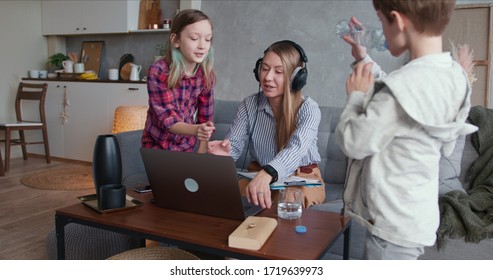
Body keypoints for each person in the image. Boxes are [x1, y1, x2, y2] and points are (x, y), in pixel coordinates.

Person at [336, 0, 478, 259]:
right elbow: (405, 95)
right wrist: (363, 58)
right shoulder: (454, 76)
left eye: (381, 22)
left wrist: (356, 97)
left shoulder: (400, 90)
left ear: (398, 21)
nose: (381, 30)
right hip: (415, 217)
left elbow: (353, 141)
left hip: (390, 224)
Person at [208, 40, 325, 209]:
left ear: (296, 78)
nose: (268, 77)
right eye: (264, 69)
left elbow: (296, 148)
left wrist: (269, 172)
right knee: (223, 194)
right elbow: (234, 143)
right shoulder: (249, 105)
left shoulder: (309, 108)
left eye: (279, 72)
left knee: (291, 202)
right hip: (260, 172)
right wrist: (226, 152)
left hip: (301, 176)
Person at [141, 9, 215, 153]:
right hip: (157, 146)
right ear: (175, 40)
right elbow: (168, 118)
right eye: (194, 38)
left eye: (208, 39)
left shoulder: (205, 74)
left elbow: (205, 117)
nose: (202, 45)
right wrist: (196, 129)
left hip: (186, 146)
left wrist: (202, 149)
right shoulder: (159, 71)